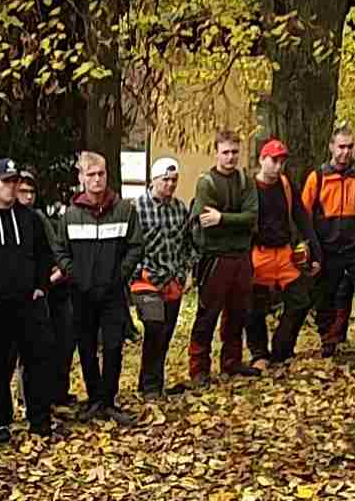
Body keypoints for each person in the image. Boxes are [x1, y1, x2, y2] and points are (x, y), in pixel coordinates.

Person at [0, 161, 59, 445]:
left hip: (28, 304)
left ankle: (39, 418)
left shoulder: (29, 218)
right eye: (6, 181)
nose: (11, 186)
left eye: (14, 181)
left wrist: (41, 287)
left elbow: (45, 255)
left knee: (38, 360)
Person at [47, 152, 132, 422]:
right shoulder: (71, 214)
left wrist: (119, 274)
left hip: (113, 292)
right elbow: (60, 249)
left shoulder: (124, 209)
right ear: (82, 178)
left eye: (101, 174)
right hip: (81, 293)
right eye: (91, 174)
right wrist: (74, 275)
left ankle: (109, 400)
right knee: (85, 346)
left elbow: (136, 246)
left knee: (113, 345)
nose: (97, 179)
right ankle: (94, 398)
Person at [290, 132, 355, 360]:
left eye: (350, 147)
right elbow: (304, 213)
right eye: (341, 146)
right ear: (331, 147)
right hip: (326, 248)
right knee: (325, 296)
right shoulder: (318, 177)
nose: (345, 152)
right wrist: (309, 247)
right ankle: (328, 339)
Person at [126, 158, 200, 399]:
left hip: (172, 280)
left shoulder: (180, 209)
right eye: (165, 179)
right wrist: (135, 270)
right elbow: (125, 246)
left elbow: (190, 244)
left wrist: (185, 272)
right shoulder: (136, 208)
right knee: (154, 326)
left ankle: (151, 383)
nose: (170, 184)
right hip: (145, 280)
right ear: (153, 180)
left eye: (174, 180)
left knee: (166, 333)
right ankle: (150, 386)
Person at [191, 133, 260, 380]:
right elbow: (205, 222)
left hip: (241, 257)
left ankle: (232, 362)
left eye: (234, 152)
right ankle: (199, 368)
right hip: (215, 258)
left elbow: (252, 217)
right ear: (216, 152)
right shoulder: (206, 183)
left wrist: (223, 218)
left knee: (238, 312)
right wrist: (235, 222)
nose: (230, 157)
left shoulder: (246, 181)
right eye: (225, 152)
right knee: (207, 314)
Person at [248, 140, 310, 365]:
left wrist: (313, 247)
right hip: (259, 253)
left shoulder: (285, 185)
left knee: (301, 299)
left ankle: (282, 348)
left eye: (281, 161)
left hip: (284, 253)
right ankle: (259, 354)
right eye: (273, 160)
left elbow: (301, 216)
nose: (278, 166)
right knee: (254, 307)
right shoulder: (250, 188)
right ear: (261, 160)